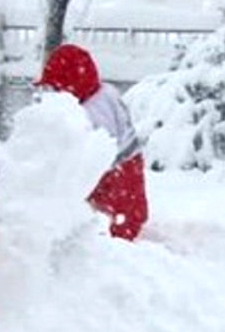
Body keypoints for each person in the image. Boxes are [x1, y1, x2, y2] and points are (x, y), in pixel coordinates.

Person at [34, 43, 149, 240]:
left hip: (117, 172)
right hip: (124, 167)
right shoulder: (105, 92)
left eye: (56, 87)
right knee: (116, 213)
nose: (54, 92)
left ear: (70, 83)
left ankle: (116, 257)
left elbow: (93, 154)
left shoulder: (93, 111)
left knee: (119, 224)